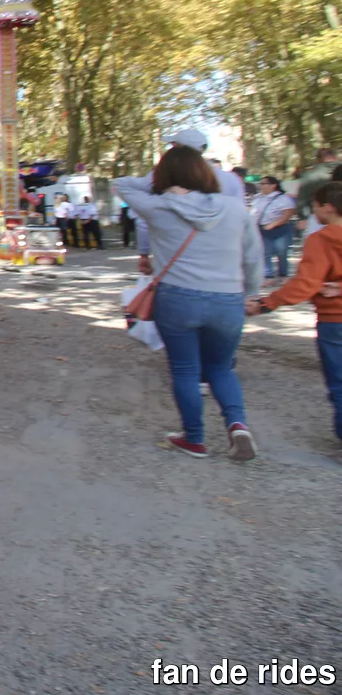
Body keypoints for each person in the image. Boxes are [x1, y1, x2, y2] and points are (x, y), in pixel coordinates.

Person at [114, 146, 262, 460]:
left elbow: (122, 184)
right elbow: (252, 257)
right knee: (221, 367)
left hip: (177, 298)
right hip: (228, 299)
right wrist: (249, 293)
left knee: (184, 370)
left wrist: (160, 182)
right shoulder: (235, 208)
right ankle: (237, 425)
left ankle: (194, 439)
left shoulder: (158, 207)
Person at [248, 181, 342, 461]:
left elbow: (305, 284)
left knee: (340, 382)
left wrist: (266, 304)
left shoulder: (322, 240)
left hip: (335, 320)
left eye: (315, 206)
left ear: (328, 207)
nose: (313, 212)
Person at [136, 129, 245, 274]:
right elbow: (240, 219)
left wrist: (144, 252)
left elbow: (145, 218)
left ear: (179, 148)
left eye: (173, 146)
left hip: (177, 255)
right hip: (221, 252)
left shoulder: (162, 176)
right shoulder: (231, 179)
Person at [251, 175, 296, 281]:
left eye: (264, 184)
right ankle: (268, 275)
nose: (261, 186)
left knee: (281, 252)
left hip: (280, 229)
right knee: (265, 252)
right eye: (260, 184)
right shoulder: (257, 198)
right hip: (262, 228)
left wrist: (273, 224)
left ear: (273, 185)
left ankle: (283, 273)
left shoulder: (283, 198)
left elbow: (287, 215)